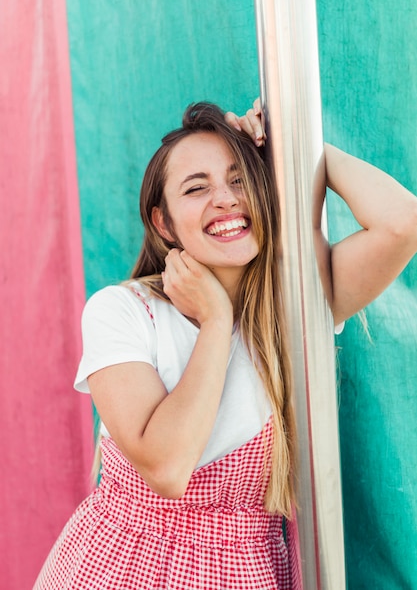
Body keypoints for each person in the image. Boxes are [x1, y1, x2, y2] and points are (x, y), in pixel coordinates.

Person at [34, 100, 417, 590]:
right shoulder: (123, 311)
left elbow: (402, 222)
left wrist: (295, 147)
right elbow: (168, 468)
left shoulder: (296, 312)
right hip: (117, 568)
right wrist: (216, 322)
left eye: (241, 179)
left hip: (247, 574)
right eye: (197, 188)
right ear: (163, 223)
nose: (226, 199)